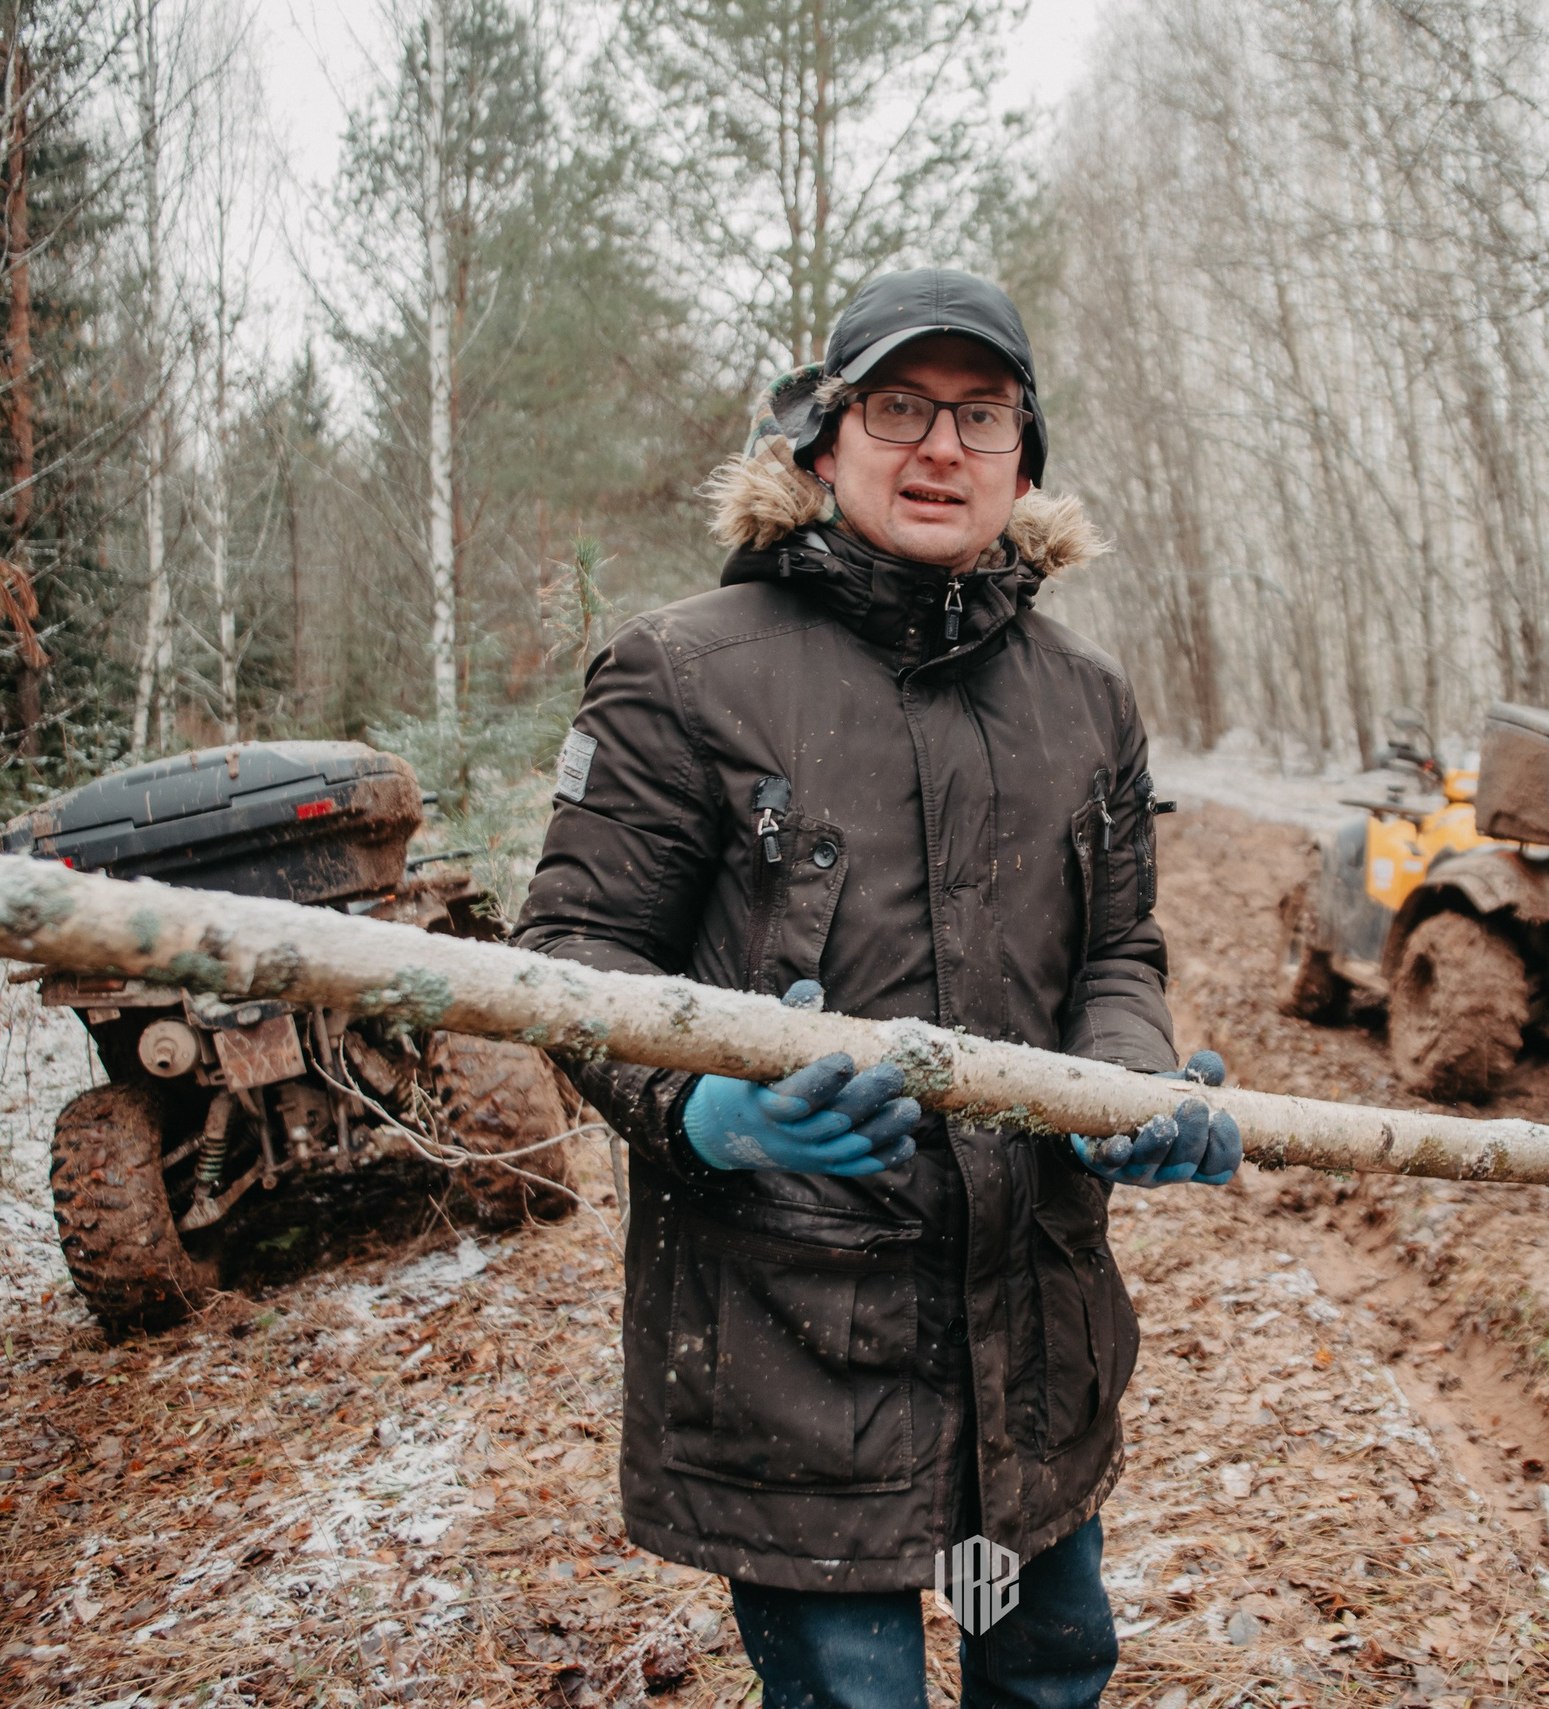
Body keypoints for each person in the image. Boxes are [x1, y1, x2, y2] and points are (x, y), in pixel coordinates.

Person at [512, 268, 1240, 1709]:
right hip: (802, 1352)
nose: (940, 447)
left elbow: (1117, 951)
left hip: (1026, 1339)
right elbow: (565, 961)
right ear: (821, 439)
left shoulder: (1085, 700)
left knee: (1040, 1669)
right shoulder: (685, 670)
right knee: (855, 1696)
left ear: (1028, 457)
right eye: (899, 407)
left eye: (982, 415)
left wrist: (1127, 1084)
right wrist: (704, 1109)